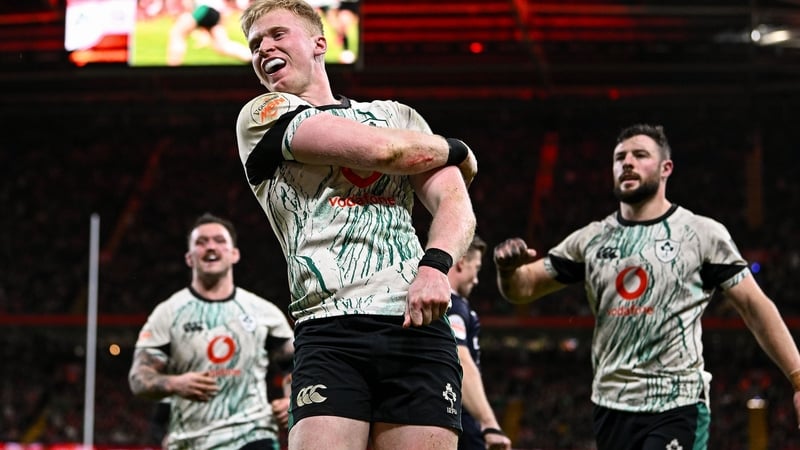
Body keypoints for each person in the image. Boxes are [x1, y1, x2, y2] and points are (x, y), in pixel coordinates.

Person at [234, 1, 478, 448]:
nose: (263, 47)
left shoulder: (399, 116)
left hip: (416, 326)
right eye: (254, 44)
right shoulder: (261, 116)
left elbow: (454, 200)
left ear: (319, 43)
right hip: (329, 329)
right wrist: (458, 149)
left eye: (276, 35)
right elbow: (387, 153)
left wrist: (436, 265)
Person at [493, 123, 800, 450]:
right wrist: (507, 270)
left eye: (640, 155)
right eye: (619, 157)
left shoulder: (701, 234)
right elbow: (523, 289)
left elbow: (755, 306)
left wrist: (797, 379)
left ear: (666, 168)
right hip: (610, 407)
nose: (627, 163)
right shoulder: (591, 239)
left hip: (676, 404)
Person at [128, 212, 295, 450]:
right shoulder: (167, 314)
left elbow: (296, 364)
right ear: (189, 257)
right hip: (190, 440)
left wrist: (291, 400)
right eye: (201, 242)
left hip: (253, 435)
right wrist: (176, 384)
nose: (210, 247)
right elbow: (138, 378)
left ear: (234, 254)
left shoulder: (262, 312)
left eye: (219, 240)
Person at [446, 234, 512, 450]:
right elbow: (461, 360)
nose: (476, 280)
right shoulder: (453, 306)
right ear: (462, 261)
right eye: (477, 268)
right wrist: (489, 424)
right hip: (459, 417)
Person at [166, 0, 252, 66]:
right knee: (222, 46)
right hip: (215, 11)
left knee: (177, 33)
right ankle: (251, 58)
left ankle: (173, 65)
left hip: (203, 9)